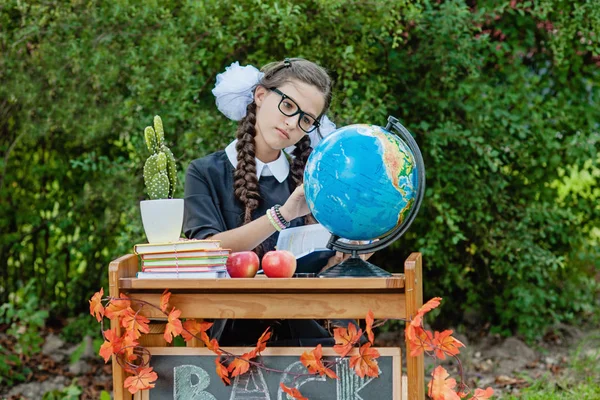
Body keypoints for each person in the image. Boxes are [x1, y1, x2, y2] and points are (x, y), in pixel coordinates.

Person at [183, 57, 341, 346]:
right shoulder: (205, 172)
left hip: (305, 338)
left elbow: (322, 272)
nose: (292, 123)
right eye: (288, 106)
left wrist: (347, 253)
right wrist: (281, 216)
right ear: (260, 95)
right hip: (229, 338)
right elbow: (204, 250)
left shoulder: (310, 182)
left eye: (305, 119)